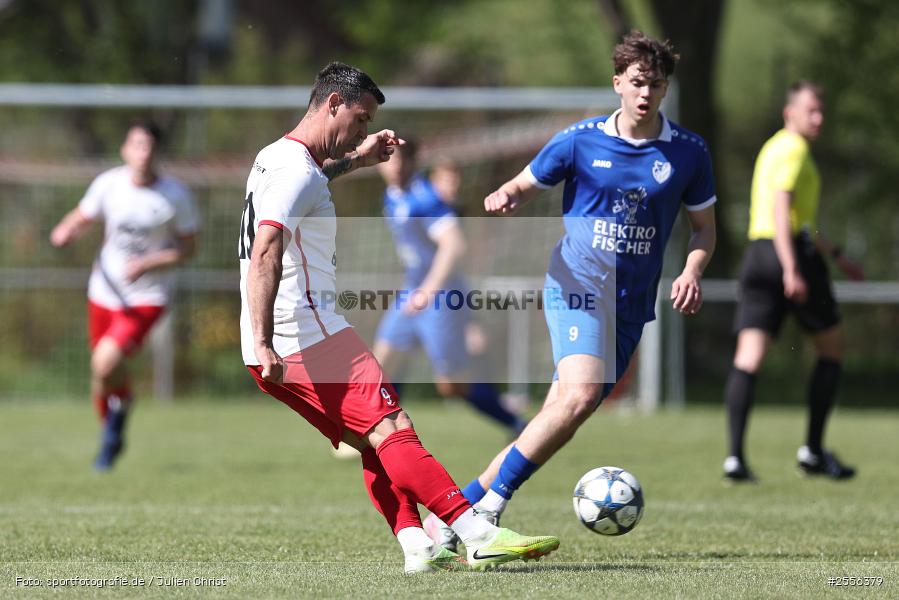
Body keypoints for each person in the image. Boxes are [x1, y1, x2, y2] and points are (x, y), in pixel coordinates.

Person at [238, 61, 558, 574]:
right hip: (305, 332)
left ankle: (418, 546)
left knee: (373, 440)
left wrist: (358, 160)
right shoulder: (296, 171)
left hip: (279, 341)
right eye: (360, 119)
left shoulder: (276, 158)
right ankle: (476, 532)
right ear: (333, 104)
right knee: (393, 425)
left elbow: (311, 182)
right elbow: (266, 250)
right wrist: (266, 338)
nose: (363, 130)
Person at [424, 30, 717, 544]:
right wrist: (506, 195)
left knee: (561, 415)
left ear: (666, 88)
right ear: (618, 84)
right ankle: (488, 514)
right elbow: (524, 181)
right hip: (576, 285)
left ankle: (450, 516)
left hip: (630, 306)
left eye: (656, 84)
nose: (645, 93)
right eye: (636, 82)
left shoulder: (689, 153)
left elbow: (704, 228)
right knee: (579, 397)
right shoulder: (580, 139)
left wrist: (692, 269)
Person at [723, 81, 863, 482]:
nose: (818, 118)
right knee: (832, 349)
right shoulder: (795, 149)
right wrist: (791, 268)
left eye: (821, 111)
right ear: (790, 113)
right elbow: (782, 210)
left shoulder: (772, 148)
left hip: (758, 255)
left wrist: (836, 255)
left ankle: (734, 458)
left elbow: (803, 223)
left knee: (748, 357)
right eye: (811, 111)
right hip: (788, 256)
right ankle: (814, 451)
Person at [49, 120, 199, 471]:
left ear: (157, 152)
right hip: (103, 291)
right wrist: (66, 228)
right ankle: (111, 431)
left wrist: (150, 262)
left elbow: (189, 249)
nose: (142, 153)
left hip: (147, 296)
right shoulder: (109, 184)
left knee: (105, 362)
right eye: (136, 145)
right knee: (100, 376)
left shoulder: (175, 195)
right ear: (125, 150)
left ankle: (121, 409)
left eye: (148, 146)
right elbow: (84, 214)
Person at [372, 141, 527, 438]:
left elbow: (454, 245)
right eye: (388, 159)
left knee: (452, 384)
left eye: (400, 160)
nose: (393, 166)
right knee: (381, 364)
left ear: (414, 162)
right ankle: (381, 433)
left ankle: (516, 424)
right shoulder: (391, 196)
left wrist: (429, 291)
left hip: (437, 298)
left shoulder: (426, 198)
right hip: (412, 290)